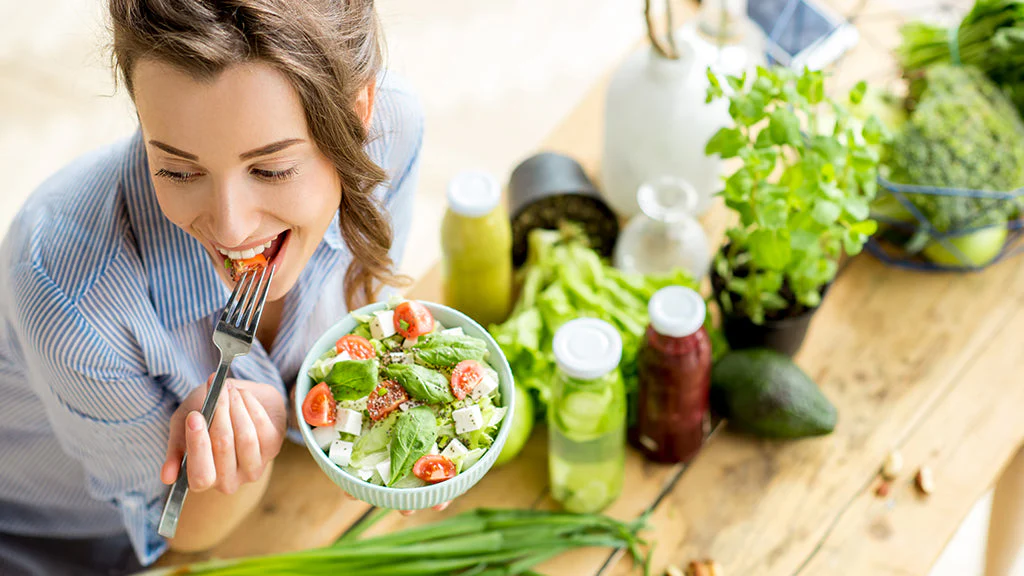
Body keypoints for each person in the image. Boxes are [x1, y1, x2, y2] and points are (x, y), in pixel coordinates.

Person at [0, 0, 428, 574]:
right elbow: (174, 533)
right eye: (178, 170)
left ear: (359, 116)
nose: (229, 227)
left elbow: (352, 345)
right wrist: (247, 439)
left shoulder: (392, 135)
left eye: (272, 170)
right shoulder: (67, 292)